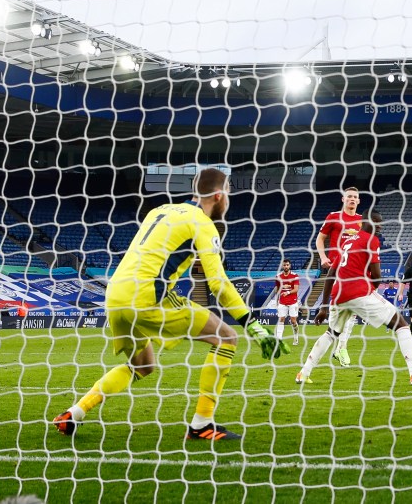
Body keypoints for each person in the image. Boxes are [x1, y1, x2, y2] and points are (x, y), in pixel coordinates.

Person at [53, 168, 287, 441]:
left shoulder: (160, 211)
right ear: (219, 195)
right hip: (147, 295)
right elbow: (219, 283)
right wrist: (254, 325)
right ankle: (202, 423)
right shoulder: (202, 222)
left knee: (142, 366)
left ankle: (74, 413)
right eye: (230, 196)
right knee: (227, 337)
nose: (229, 202)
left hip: (115, 295)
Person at [298, 212, 412, 387]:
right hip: (358, 293)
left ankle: (304, 372)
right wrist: (370, 290)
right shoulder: (371, 240)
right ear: (367, 222)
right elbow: (377, 275)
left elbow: (331, 275)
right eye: (377, 222)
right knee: (401, 325)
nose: (380, 226)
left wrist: (324, 307)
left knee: (331, 333)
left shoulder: (347, 242)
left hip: (339, 295)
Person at [315, 187, 362, 367]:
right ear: (343, 199)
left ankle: (341, 348)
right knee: (341, 312)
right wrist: (323, 257)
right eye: (349, 196)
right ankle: (338, 347)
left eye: (355, 197)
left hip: (354, 271)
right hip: (337, 269)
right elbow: (320, 239)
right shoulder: (333, 217)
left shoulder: (361, 220)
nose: (352, 199)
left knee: (351, 312)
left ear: (358, 201)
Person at [275, 258, 300, 345]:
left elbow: (296, 289)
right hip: (282, 302)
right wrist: (277, 299)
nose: (286, 266)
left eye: (287, 265)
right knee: (281, 319)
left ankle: (296, 336)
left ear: (290, 266)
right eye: (284, 265)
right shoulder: (278, 276)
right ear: (282, 266)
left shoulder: (295, 276)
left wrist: (288, 292)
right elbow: (278, 289)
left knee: (293, 321)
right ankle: (279, 340)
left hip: (293, 301)